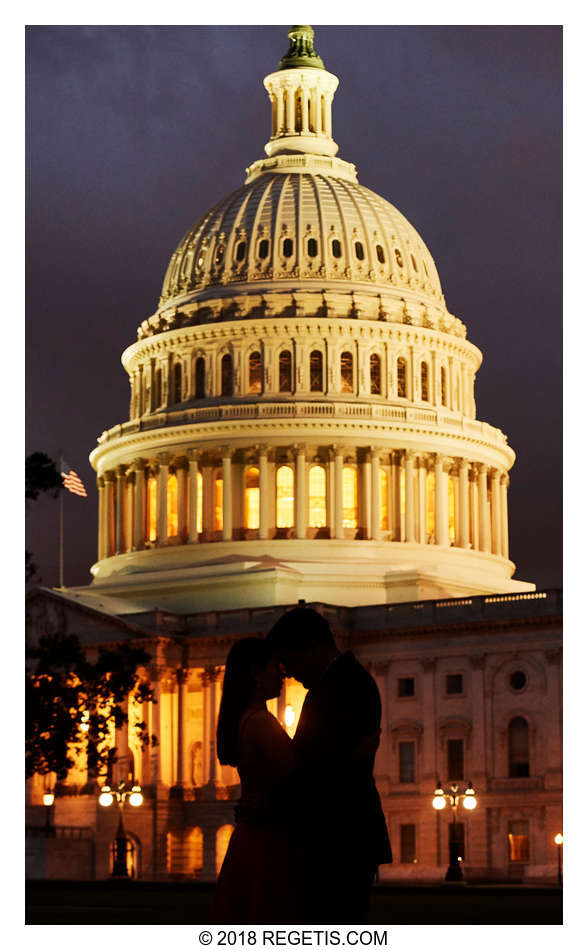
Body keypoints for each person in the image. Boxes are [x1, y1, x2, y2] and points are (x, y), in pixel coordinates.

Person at [266, 606, 392, 924]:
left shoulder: (343, 686)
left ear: (311, 646)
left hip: (339, 832)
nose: (289, 673)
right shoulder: (339, 683)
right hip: (341, 829)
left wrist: (277, 795)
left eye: (290, 661)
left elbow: (323, 765)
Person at [210, 637, 310, 924]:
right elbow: (297, 779)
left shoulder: (245, 719)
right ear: (255, 673)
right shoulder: (261, 723)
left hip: (253, 834)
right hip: (271, 837)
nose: (283, 673)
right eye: (274, 667)